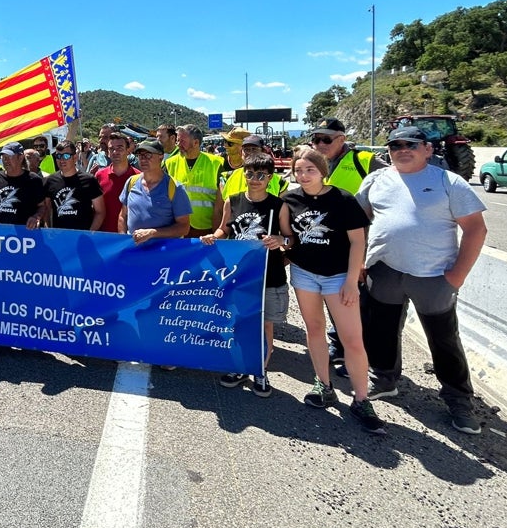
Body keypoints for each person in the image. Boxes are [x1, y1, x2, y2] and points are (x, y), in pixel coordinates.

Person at [356, 126, 488, 434]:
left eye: (410, 144)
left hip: (432, 275)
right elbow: (359, 221)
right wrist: (361, 258)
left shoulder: (448, 181)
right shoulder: (376, 180)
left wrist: (458, 274)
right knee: (382, 329)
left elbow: (476, 229)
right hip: (385, 269)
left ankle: (458, 399)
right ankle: (385, 379)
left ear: (428, 149)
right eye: (395, 145)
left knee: (443, 338)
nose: (402, 149)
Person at [278, 146, 385, 434]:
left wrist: (351, 281)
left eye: (310, 170)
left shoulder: (343, 200)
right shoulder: (289, 199)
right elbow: (290, 239)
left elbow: (357, 243)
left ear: (322, 171)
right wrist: (280, 243)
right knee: (314, 330)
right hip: (304, 275)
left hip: (338, 277)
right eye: (298, 170)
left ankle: (361, 399)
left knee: (352, 339)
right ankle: (323, 385)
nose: (303, 175)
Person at [202, 153, 287, 396]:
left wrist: (281, 240)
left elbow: (290, 239)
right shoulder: (233, 200)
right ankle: (240, 366)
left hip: (268, 275)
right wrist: (212, 237)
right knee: (239, 322)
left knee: (265, 326)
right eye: (250, 174)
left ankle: (260, 369)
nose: (254, 179)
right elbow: (223, 229)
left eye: (261, 175)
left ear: (270, 177)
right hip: (239, 274)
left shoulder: (277, 206)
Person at [307, 118, 387, 368]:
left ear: (341, 139)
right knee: (335, 299)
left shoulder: (365, 161)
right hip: (327, 246)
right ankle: (340, 346)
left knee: (357, 304)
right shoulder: (316, 165)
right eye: (316, 139)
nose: (320, 144)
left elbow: (394, 182)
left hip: (357, 245)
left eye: (326, 139)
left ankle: (363, 356)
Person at [118, 139, 192, 243]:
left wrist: (153, 233)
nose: (143, 159)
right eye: (140, 155)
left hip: (161, 253)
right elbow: (123, 215)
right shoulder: (131, 182)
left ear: (161, 156)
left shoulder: (175, 188)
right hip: (135, 251)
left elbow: (184, 227)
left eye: (148, 155)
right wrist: (123, 240)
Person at [164, 125, 223, 237]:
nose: (178, 144)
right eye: (177, 141)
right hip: (177, 227)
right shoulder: (170, 163)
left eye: (182, 141)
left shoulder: (216, 163)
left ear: (196, 143)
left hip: (207, 230)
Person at [0, 141, 48, 228]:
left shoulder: (34, 180)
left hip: (26, 234)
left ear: (20, 157)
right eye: (3, 157)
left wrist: (36, 217)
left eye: (9, 156)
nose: (5, 160)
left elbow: (42, 206)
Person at [45, 140, 105, 231]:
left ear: (75, 157)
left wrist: (90, 233)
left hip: (83, 238)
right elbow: (46, 208)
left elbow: (100, 212)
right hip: (59, 238)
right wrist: (48, 230)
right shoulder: (50, 180)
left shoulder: (89, 180)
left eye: (66, 156)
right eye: (58, 156)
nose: (62, 160)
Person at [96, 131, 139, 233]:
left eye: (120, 148)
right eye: (111, 149)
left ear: (128, 150)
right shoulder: (99, 176)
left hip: (129, 238)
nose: (115, 152)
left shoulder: (139, 177)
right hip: (104, 236)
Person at [221, 135, 287, 200]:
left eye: (254, 149)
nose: (250, 153)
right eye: (246, 150)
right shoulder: (227, 178)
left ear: (263, 152)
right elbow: (219, 209)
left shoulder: (280, 182)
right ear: (241, 153)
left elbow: (284, 208)